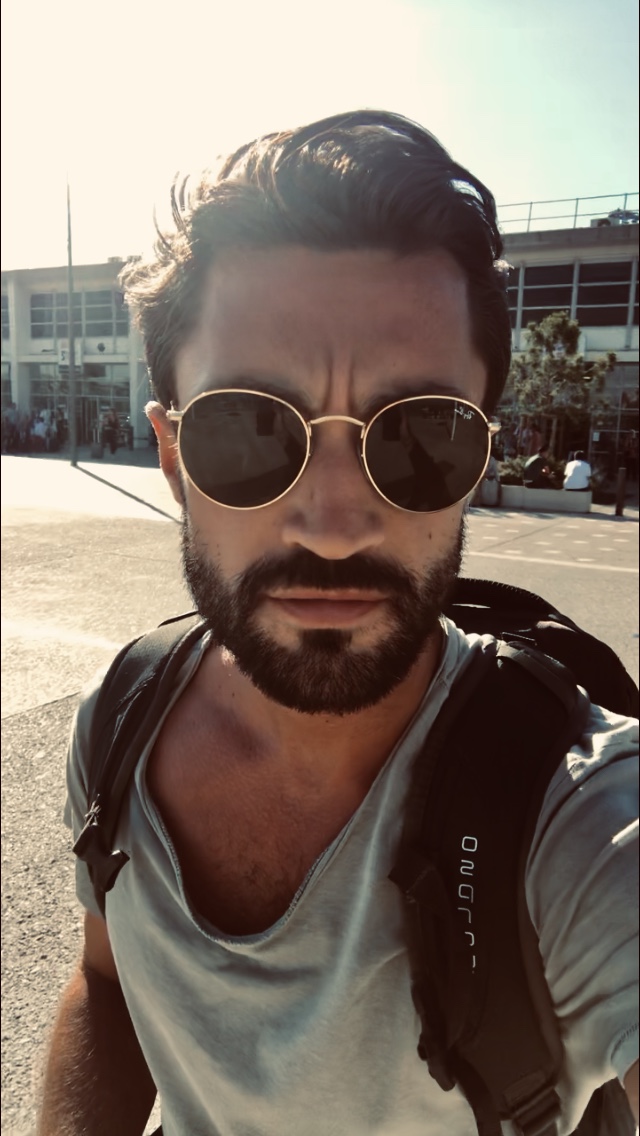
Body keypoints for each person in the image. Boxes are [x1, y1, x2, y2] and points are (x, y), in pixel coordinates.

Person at [37, 110, 638, 1136]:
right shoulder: (119, 720)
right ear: (173, 458)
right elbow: (107, 981)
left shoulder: (579, 813)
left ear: (478, 463)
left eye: (419, 435)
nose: (330, 523)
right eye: (247, 428)